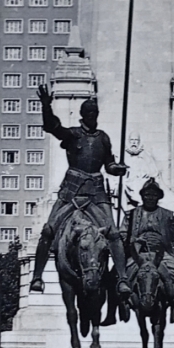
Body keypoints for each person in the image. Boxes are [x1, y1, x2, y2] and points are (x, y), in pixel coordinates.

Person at [29, 85, 130, 302]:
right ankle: (37, 277)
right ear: (83, 115)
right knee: (48, 230)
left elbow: (108, 163)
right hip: (71, 191)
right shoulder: (73, 134)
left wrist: (116, 169)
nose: (92, 117)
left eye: (95, 113)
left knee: (112, 233)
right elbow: (52, 127)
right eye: (89, 113)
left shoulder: (103, 137)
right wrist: (46, 106)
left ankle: (122, 279)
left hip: (97, 191)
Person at [123, 178, 174, 328]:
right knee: (118, 275)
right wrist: (127, 242)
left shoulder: (167, 215)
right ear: (142, 196)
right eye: (147, 194)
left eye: (153, 195)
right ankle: (117, 310)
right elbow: (122, 233)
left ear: (159, 197)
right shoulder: (131, 215)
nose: (150, 197)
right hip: (138, 253)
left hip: (162, 253)